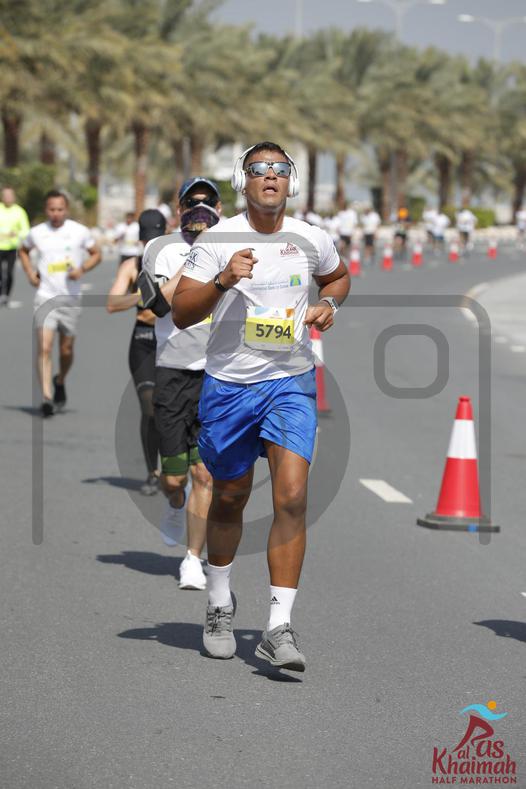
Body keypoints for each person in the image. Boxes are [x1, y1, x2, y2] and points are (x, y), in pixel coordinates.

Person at [172, 141, 350, 670]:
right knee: (230, 497)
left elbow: (337, 276)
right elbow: (181, 312)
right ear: (242, 181)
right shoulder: (218, 240)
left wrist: (329, 302)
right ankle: (219, 602)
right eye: (258, 169)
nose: (269, 176)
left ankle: (278, 626)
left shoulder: (311, 237)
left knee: (292, 496)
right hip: (229, 386)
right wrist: (223, 279)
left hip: (289, 381)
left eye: (278, 169)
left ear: (291, 181)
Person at [142, 177, 222, 590]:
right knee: (174, 479)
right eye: (193, 202)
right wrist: (195, 259)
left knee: (204, 474)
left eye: (208, 202)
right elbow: (157, 306)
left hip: (217, 372)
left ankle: (193, 560)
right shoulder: (160, 249)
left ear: (220, 209)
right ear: (179, 209)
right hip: (172, 370)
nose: (200, 208)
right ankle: (175, 503)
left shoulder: (233, 247)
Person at [19, 190, 101, 417]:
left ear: (66, 210)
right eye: (52, 209)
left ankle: (60, 380)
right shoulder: (37, 232)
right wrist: (30, 273)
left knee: (66, 350)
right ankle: (46, 397)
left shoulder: (79, 232)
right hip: (45, 297)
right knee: (44, 348)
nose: (56, 213)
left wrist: (82, 269)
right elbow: (23, 250)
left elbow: (96, 254)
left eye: (60, 209)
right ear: (46, 210)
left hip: (70, 299)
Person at [106, 210, 166, 495]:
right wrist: (142, 296)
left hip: (173, 340)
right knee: (149, 404)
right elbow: (112, 303)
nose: (150, 244)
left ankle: (176, 467)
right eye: (147, 240)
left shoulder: (178, 260)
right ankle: (153, 472)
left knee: (173, 408)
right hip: (143, 339)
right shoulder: (132, 265)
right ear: (141, 239)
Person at [0, 186, 30, 305]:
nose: (8, 198)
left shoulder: (19, 212)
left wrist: (16, 233)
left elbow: (26, 230)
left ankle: (6, 295)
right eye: (5, 195)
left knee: (9, 273)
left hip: (12, 248)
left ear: (14, 197)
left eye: (10, 195)